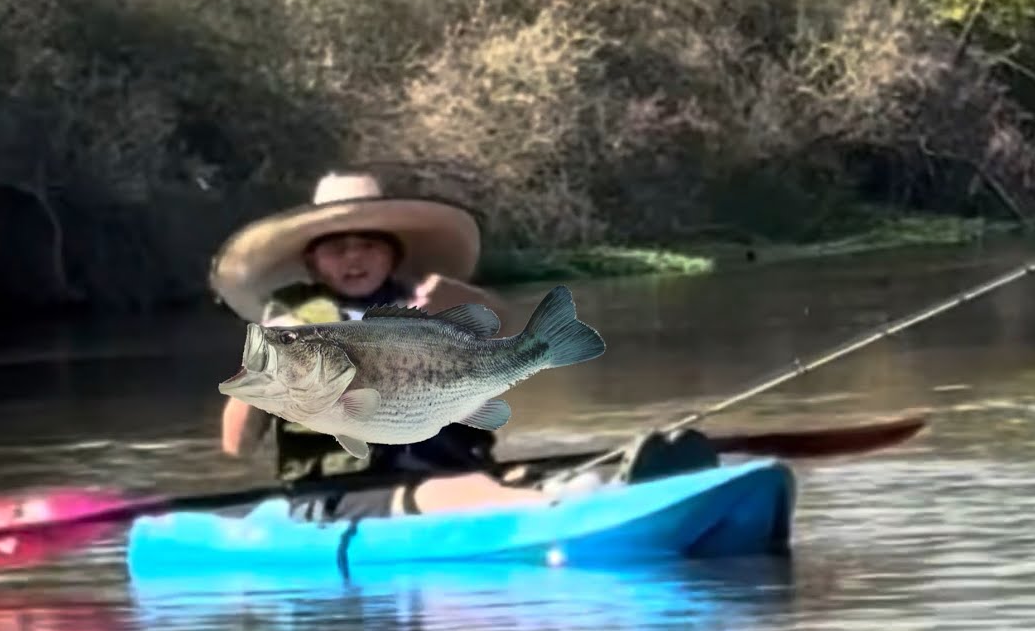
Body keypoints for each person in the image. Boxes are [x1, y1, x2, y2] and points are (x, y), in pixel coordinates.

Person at [209, 171, 716, 521]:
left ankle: (597, 492)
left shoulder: (426, 303)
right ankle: (565, 511)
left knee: (511, 477)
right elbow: (235, 446)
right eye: (338, 249)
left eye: (368, 245)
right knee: (474, 492)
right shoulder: (292, 328)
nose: (354, 258)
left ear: (392, 254)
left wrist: (466, 298)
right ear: (315, 264)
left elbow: (502, 324)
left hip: (447, 469)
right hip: (343, 494)